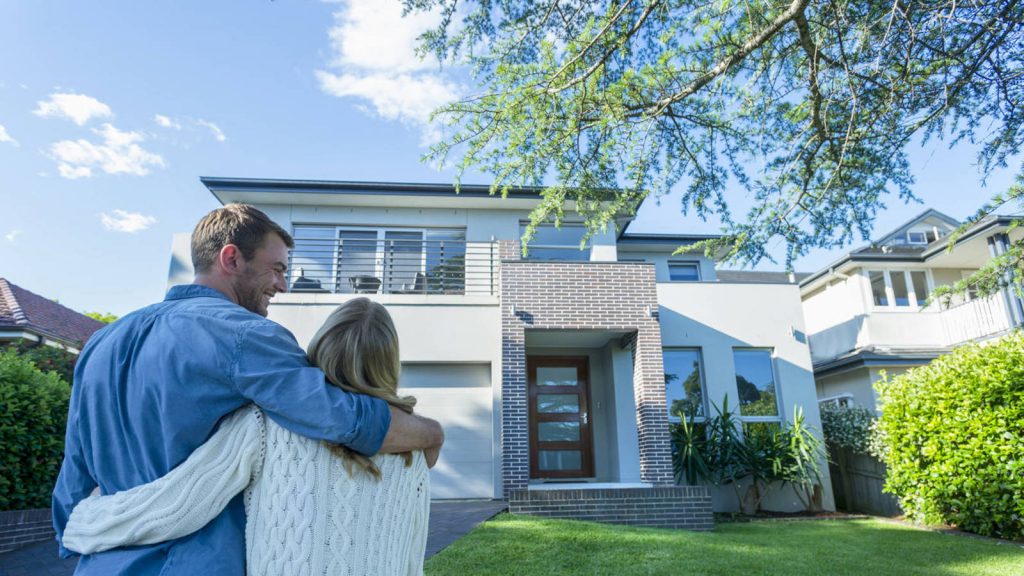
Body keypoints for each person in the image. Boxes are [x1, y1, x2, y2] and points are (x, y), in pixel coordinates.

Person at [52, 205, 443, 576]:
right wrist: (429, 432)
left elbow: (74, 476)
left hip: (100, 564)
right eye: (275, 269)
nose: (283, 285)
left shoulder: (102, 342)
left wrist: (80, 543)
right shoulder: (246, 336)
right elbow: (338, 416)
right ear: (231, 258)